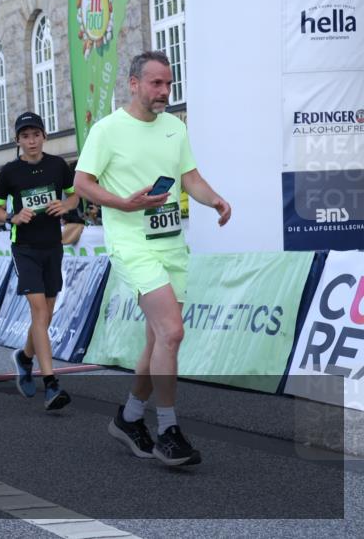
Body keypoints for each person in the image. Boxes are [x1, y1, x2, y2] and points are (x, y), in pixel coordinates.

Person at [73, 50, 231, 467]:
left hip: (171, 244)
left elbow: (189, 177)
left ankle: (128, 418)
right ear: (134, 83)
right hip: (132, 244)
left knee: (157, 338)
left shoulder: (174, 127)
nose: (164, 92)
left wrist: (214, 199)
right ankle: (169, 430)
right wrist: (122, 205)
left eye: (168, 84)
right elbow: (82, 183)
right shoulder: (107, 130)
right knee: (172, 332)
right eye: (156, 83)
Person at [0, 111, 78, 409]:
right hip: (24, 248)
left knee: (46, 316)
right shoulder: (9, 172)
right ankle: (51, 383)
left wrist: (65, 205)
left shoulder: (58, 165)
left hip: (53, 246)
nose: (31, 141)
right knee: (39, 313)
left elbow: (75, 195)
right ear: (17, 141)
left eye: (36, 135)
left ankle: (24, 357)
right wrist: (13, 217)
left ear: (44, 136)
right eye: (25, 136)